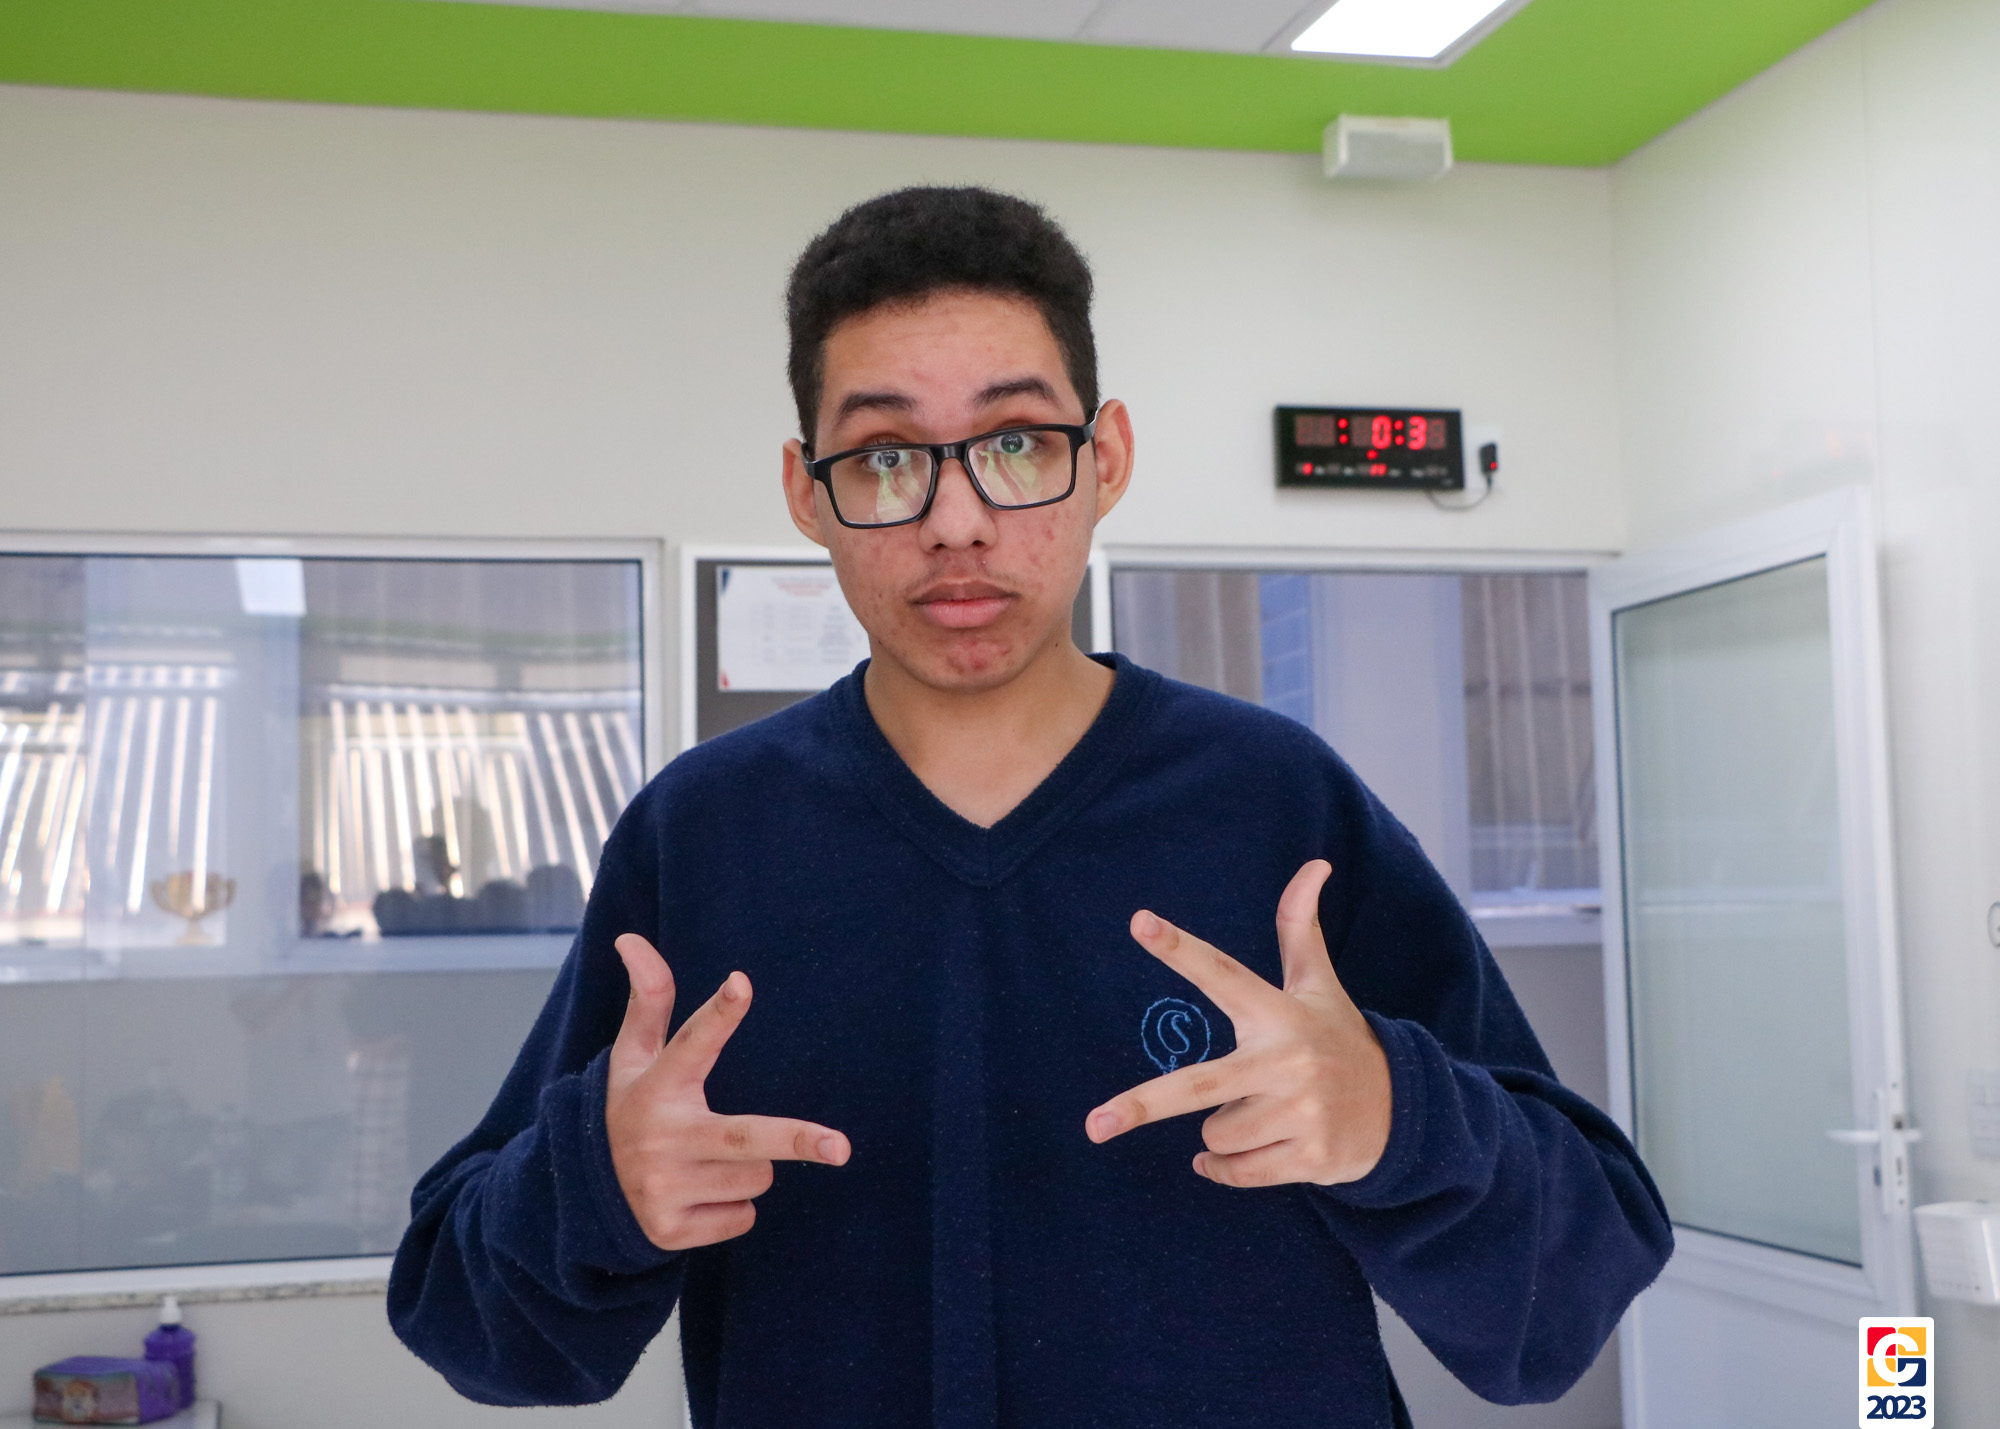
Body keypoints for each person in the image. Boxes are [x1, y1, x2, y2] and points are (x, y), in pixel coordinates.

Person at [389, 186, 1672, 1429]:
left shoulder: (1274, 803)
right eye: (884, 457)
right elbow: (473, 1324)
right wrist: (596, 1188)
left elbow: (1568, 1291)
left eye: (1014, 444)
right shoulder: (705, 834)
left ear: (1102, 459)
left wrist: (1397, 1118)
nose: (955, 522)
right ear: (806, 490)